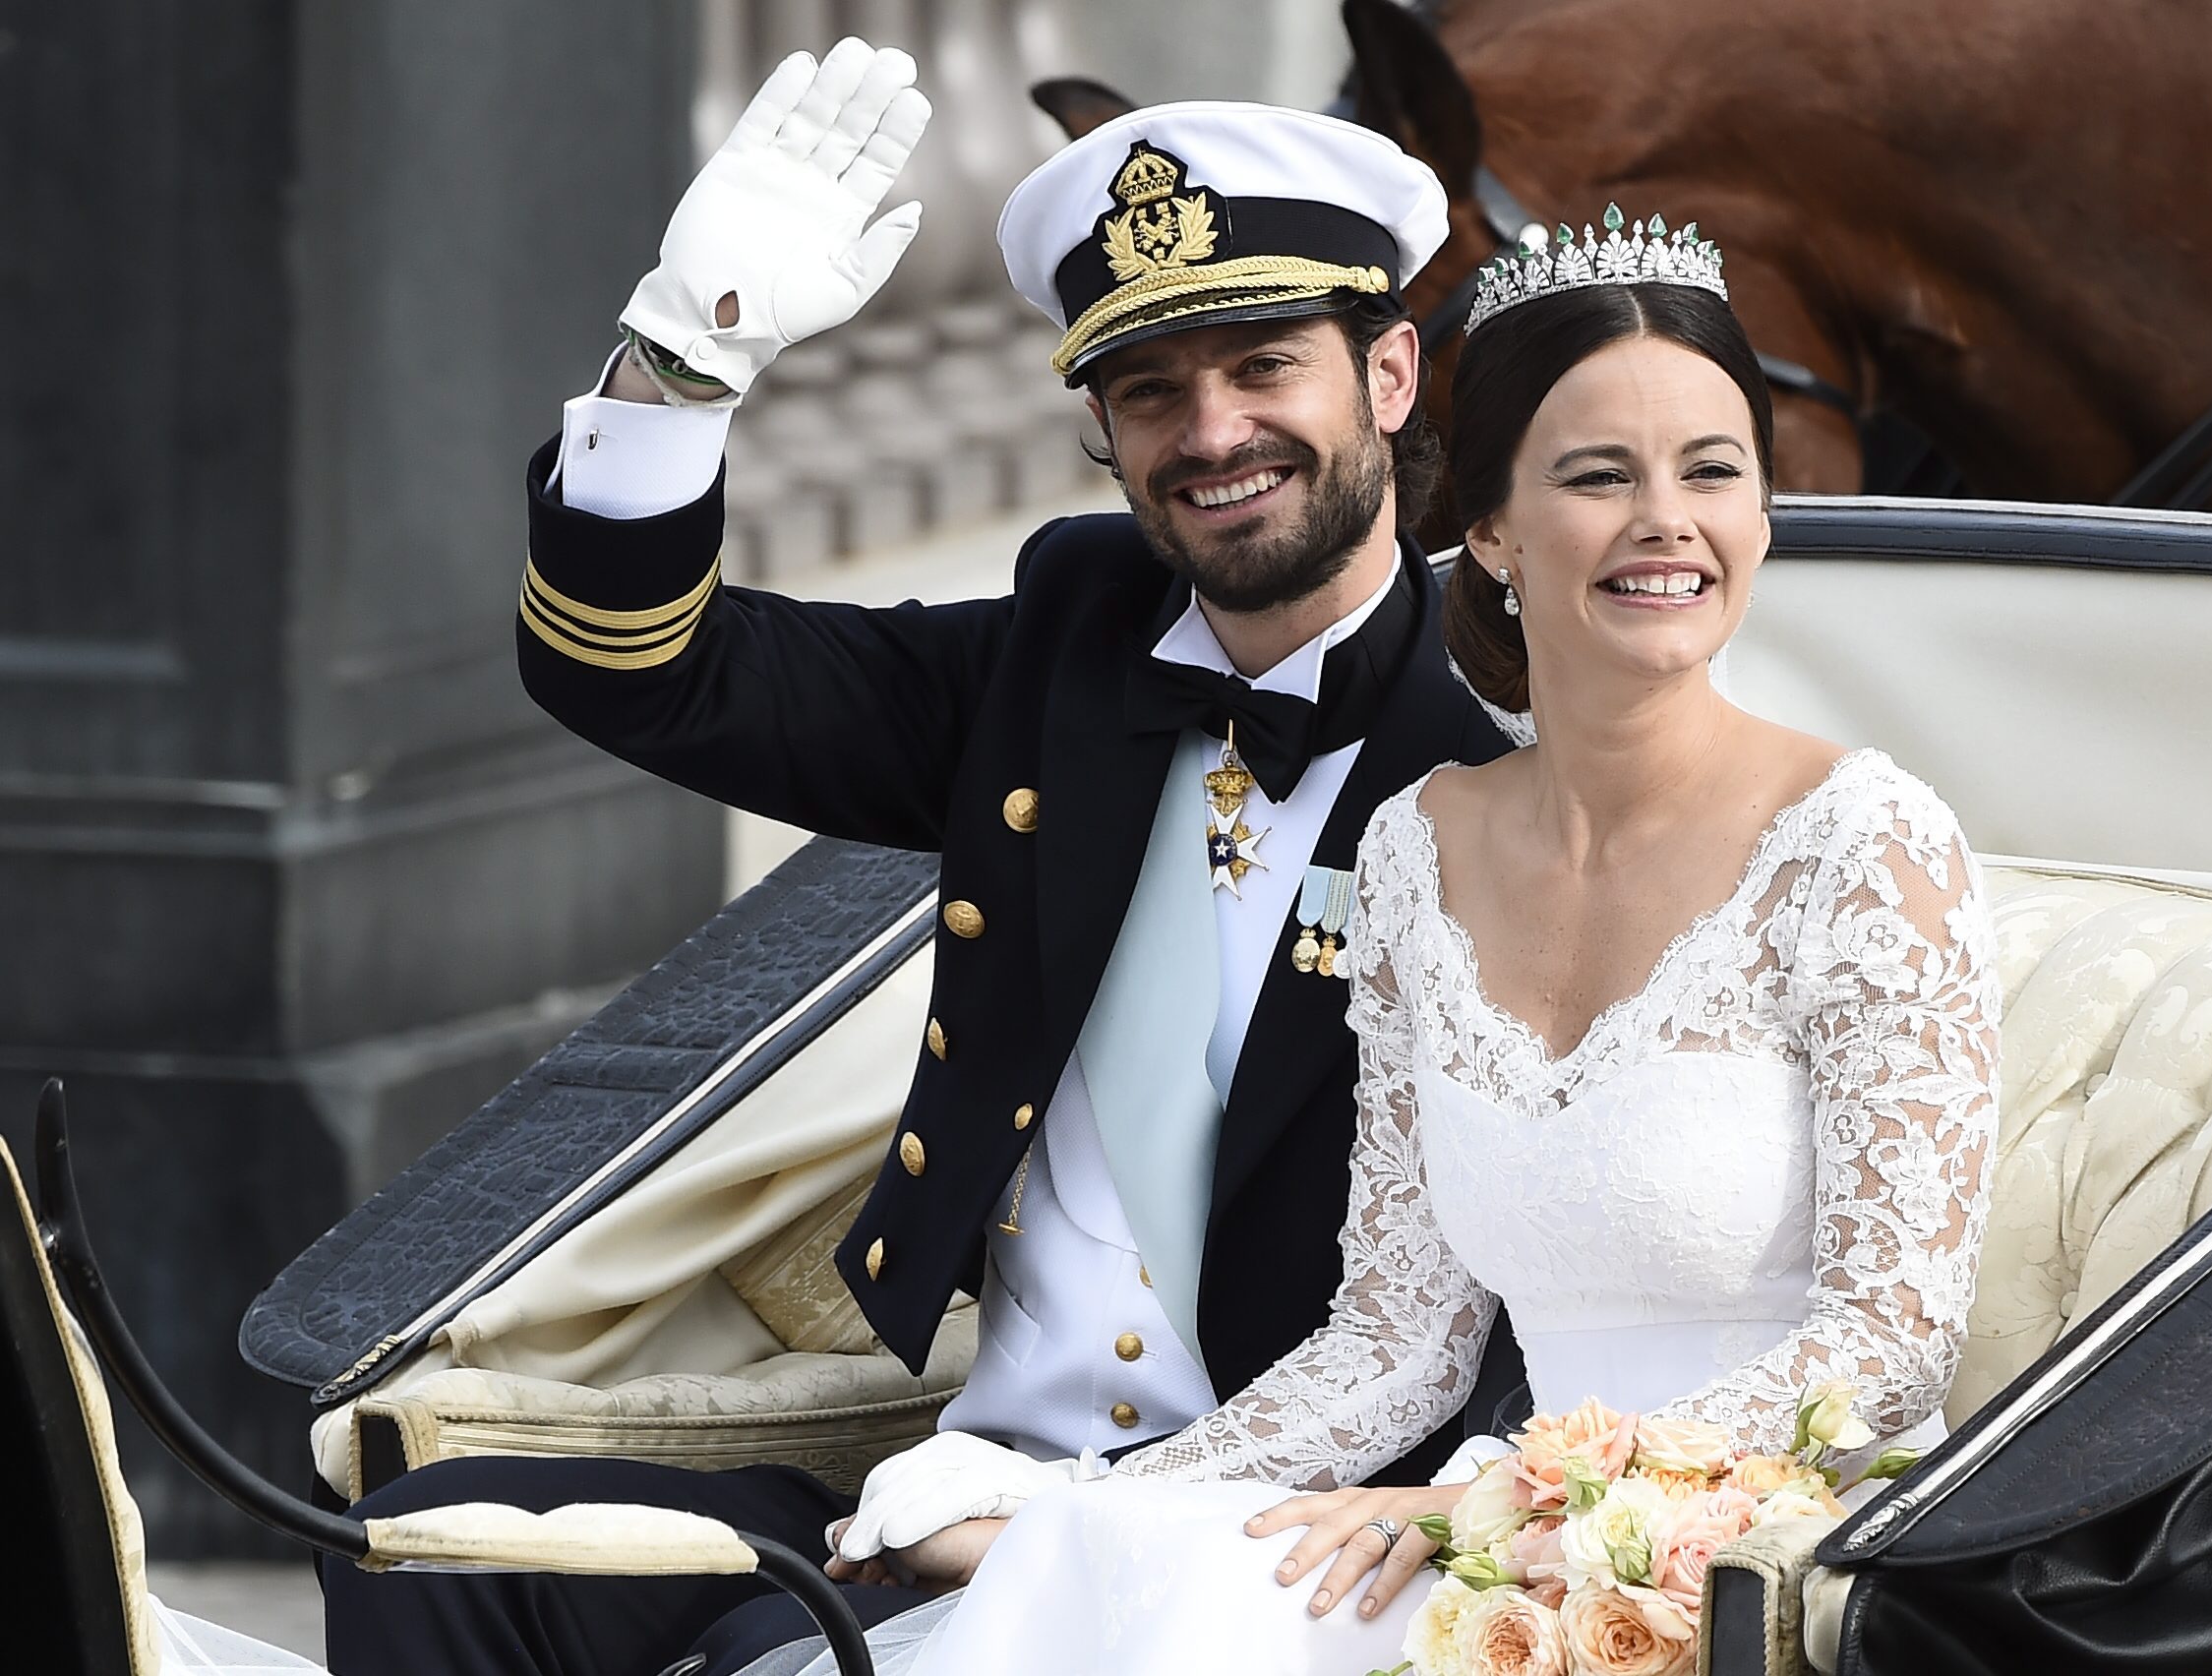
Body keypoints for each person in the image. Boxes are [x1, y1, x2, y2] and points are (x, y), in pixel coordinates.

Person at [317, 39, 1515, 1676]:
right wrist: (686, 359)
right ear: (1098, 426)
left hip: (1281, 1542)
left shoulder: (1508, 754)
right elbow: (640, 668)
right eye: (1149, 390)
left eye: (1264, 366)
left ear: (1385, 378)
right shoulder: (1061, 647)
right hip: (957, 1472)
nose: (1211, 430)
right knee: (434, 1562)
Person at [742, 213, 2003, 1676]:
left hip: (1775, 1562)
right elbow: (1399, 1338)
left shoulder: (1864, 843)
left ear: (1764, 513)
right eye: (1600, 476)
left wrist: (1520, 1499)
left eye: (1712, 471)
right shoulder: (1422, 843)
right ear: (1494, 530)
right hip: (1475, 1534)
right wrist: (1102, 1508)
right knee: (1137, 1610)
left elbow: (1890, 1346)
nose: (1667, 521)